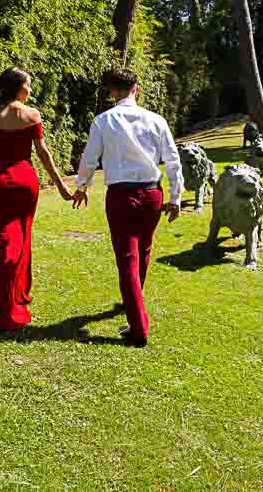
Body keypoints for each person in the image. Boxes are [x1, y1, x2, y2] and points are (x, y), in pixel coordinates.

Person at [72, 68, 183, 347]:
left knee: (127, 260)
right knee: (142, 251)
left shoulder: (103, 121)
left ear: (112, 91)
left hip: (122, 196)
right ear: (137, 89)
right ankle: (132, 302)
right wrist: (175, 196)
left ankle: (138, 328)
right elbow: (172, 160)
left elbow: (90, 158)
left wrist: (81, 186)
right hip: (151, 194)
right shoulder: (156, 120)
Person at [0, 67, 73, 332]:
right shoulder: (31, 114)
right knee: (22, 236)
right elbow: (43, 153)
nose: (30, 89)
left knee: (3, 239)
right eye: (28, 85)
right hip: (25, 180)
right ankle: (18, 296)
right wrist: (61, 184)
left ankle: (6, 300)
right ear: (19, 87)